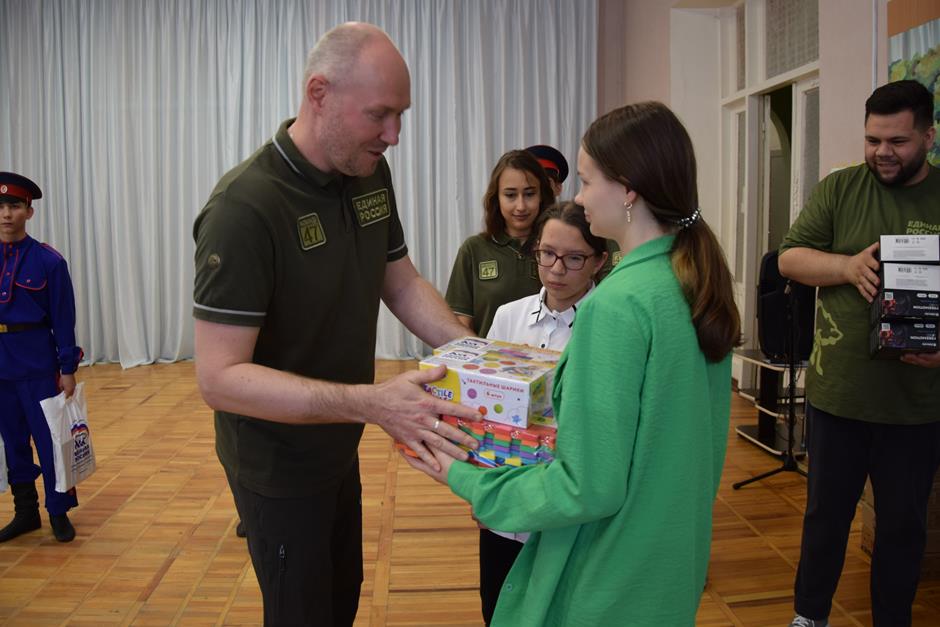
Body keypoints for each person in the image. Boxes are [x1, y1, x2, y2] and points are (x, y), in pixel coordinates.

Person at [406, 101, 741, 625]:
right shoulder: (691, 282)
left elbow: (586, 487)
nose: (578, 198)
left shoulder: (619, 304)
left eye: (585, 181)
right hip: (670, 563)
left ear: (627, 189)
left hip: (608, 575)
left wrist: (462, 477)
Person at [192, 23, 480, 626]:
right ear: (318, 93)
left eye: (400, 115)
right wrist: (373, 403)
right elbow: (219, 378)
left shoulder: (368, 169)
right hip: (277, 463)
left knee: (341, 597)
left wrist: (478, 354)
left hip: (337, 439)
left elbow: (400, 281)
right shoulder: (244, 209)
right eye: (380, 115)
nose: (394, 136)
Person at [779, 80, 940, 627]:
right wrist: (846, 267)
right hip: (838, 396)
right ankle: (809, 616)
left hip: (916, 406)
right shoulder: (841, 188)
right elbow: (789, 258)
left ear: (929, 137)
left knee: (902, 528)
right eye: (873, 140)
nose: (882, 152)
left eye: (897, 141)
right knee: (825, 519)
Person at [479, 201, 607, 625]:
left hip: (568, 505)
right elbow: (485, 412)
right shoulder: (509, 317)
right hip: (508, 497)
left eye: (574, 259)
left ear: (599, 261)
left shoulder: (608, 325)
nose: (556, 269)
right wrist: (481, 489)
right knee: (497, 606)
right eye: (547, 253)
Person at [0, 171, 82, 543]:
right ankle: (26, 512)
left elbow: (63, 319)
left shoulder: (49, 261)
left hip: (36, 362)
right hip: (1, 366)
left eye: (14, 206)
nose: (6, 214)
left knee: (50, 441)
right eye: (1, 207)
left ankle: (58, 512)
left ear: (29, 212)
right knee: (13, 440)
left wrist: (67, 368)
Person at [445, 150, 555, 337]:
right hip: (487, 355)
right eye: (510, 195)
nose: (521, 206)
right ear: (496, 198)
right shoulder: (474, 249)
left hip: (548, 355)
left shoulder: (558, 250)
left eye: (529, 194)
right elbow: (459, 324)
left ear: (541, 196)